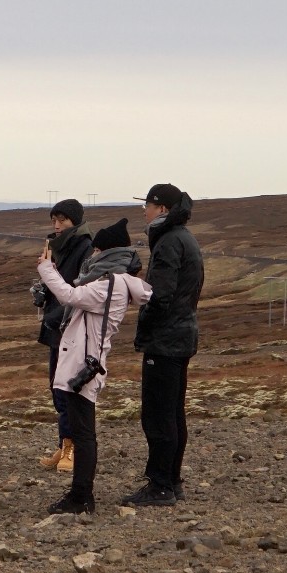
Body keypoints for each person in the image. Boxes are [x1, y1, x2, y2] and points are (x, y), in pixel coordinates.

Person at [36, 219, 151, 514]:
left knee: (84, 433)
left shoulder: (106, 287)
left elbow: (69, 295)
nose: (92, 255)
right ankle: (80, 494)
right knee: (83, 429)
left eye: (97, 249)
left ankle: (82, 496)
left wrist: (47, 268)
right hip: (87, 361)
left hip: (82, 366)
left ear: (105, 252)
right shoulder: (121, 283)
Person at [125, 183, 204, 507]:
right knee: (172, 412)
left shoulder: (170, 241)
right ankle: (171, 480)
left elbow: (161, 294)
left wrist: (144, 308)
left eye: (147, 204)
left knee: (158, 415)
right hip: (180, 336)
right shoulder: (183, 237)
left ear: (162, 209)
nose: (143, 210)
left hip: (166, 340)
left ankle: (160, 486)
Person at [32, 200, 95, 471]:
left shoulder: (85, 249)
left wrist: (56, 313)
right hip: (56, 330)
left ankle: (74, 449)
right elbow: (57, 285)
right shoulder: (57, 248)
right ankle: (64, 445)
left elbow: (78, 291)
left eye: (63, 221)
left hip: (72, 331)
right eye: (54, 220)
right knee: (57, 389)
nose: (57, 226)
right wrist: (43, 293)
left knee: (71, 390)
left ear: (75, 222)